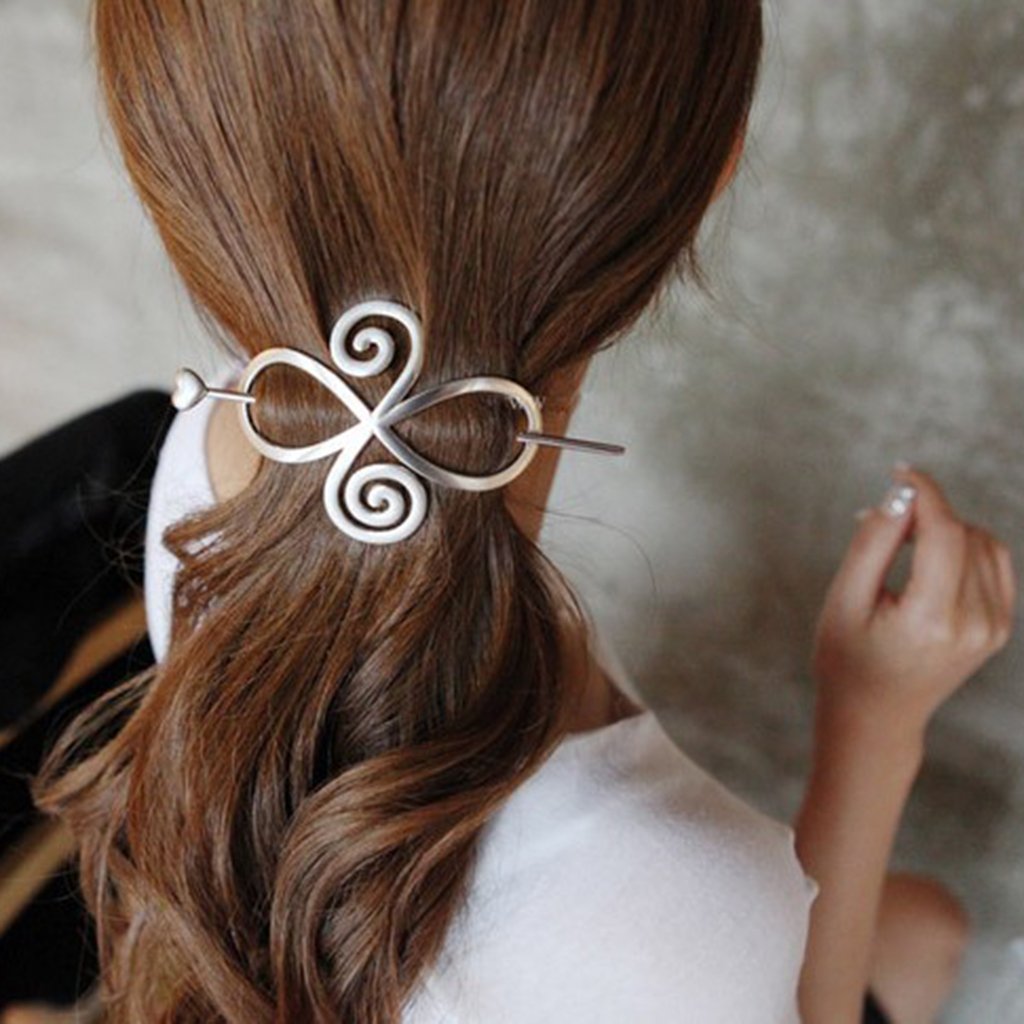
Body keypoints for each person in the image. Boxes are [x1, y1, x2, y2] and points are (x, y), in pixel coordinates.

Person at [11, 2, 1014, 1022]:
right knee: (929, 934)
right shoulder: (670, 902)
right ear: (719, 168)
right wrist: (874, 719)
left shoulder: (231, 430)